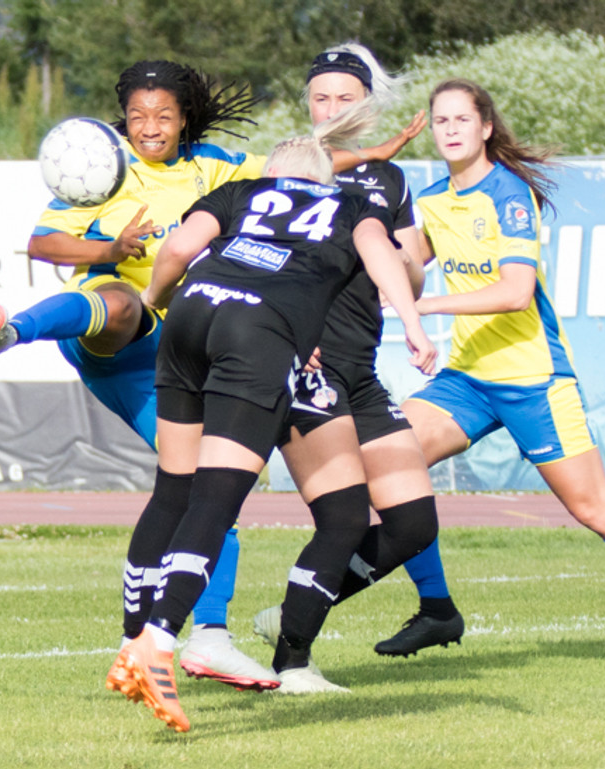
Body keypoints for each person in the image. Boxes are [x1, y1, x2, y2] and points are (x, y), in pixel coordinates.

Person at [374, 77, 605, 667]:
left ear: (486, 127)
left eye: (461, 119)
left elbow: (516, 291)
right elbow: (399, 264)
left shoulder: (509, 193)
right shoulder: (435, 200)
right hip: (468, 379)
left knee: (595, 508)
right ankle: (437, 609)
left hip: (533, 380)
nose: (450, 130)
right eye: (440, 120)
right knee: (391, 461)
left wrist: (422, 306)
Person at [110, 102, 436, 731]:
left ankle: (133, 637)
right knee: (216, 498)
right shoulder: (348, 204)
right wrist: (415, 328)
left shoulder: (241, 191)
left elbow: (178, 248)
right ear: (323, 179)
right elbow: (382, 257)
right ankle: (158, 641)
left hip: (190, 317)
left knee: (175, 488)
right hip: (256, 334)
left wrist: (152, 299)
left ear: (272, 174)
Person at [0, 60, 279, 690]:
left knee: (211, 487)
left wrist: (370, 152)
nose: (149, 127)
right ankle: (10, 333)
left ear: (184, 118)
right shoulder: (106, 169)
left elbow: (296, 170)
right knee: (125, 303)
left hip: (173, 358)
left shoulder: (213, 166)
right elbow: (44, 244)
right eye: (137, 116)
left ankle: (182, 641)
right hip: (111, 337)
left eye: (162, 115)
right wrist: (109, 250)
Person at [249, 43, 452, 691]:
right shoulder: (292, 167)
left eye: (345, 97)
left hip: (360, 372)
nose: (332, 108)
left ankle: (291, 617)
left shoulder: (391, 181)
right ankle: (285, 659)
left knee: (413, 523)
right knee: (341, 520)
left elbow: (411, 277)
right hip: (304, 368)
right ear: (307, 104)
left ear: (368, 104)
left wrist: (397, 256)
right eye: (321, 98)